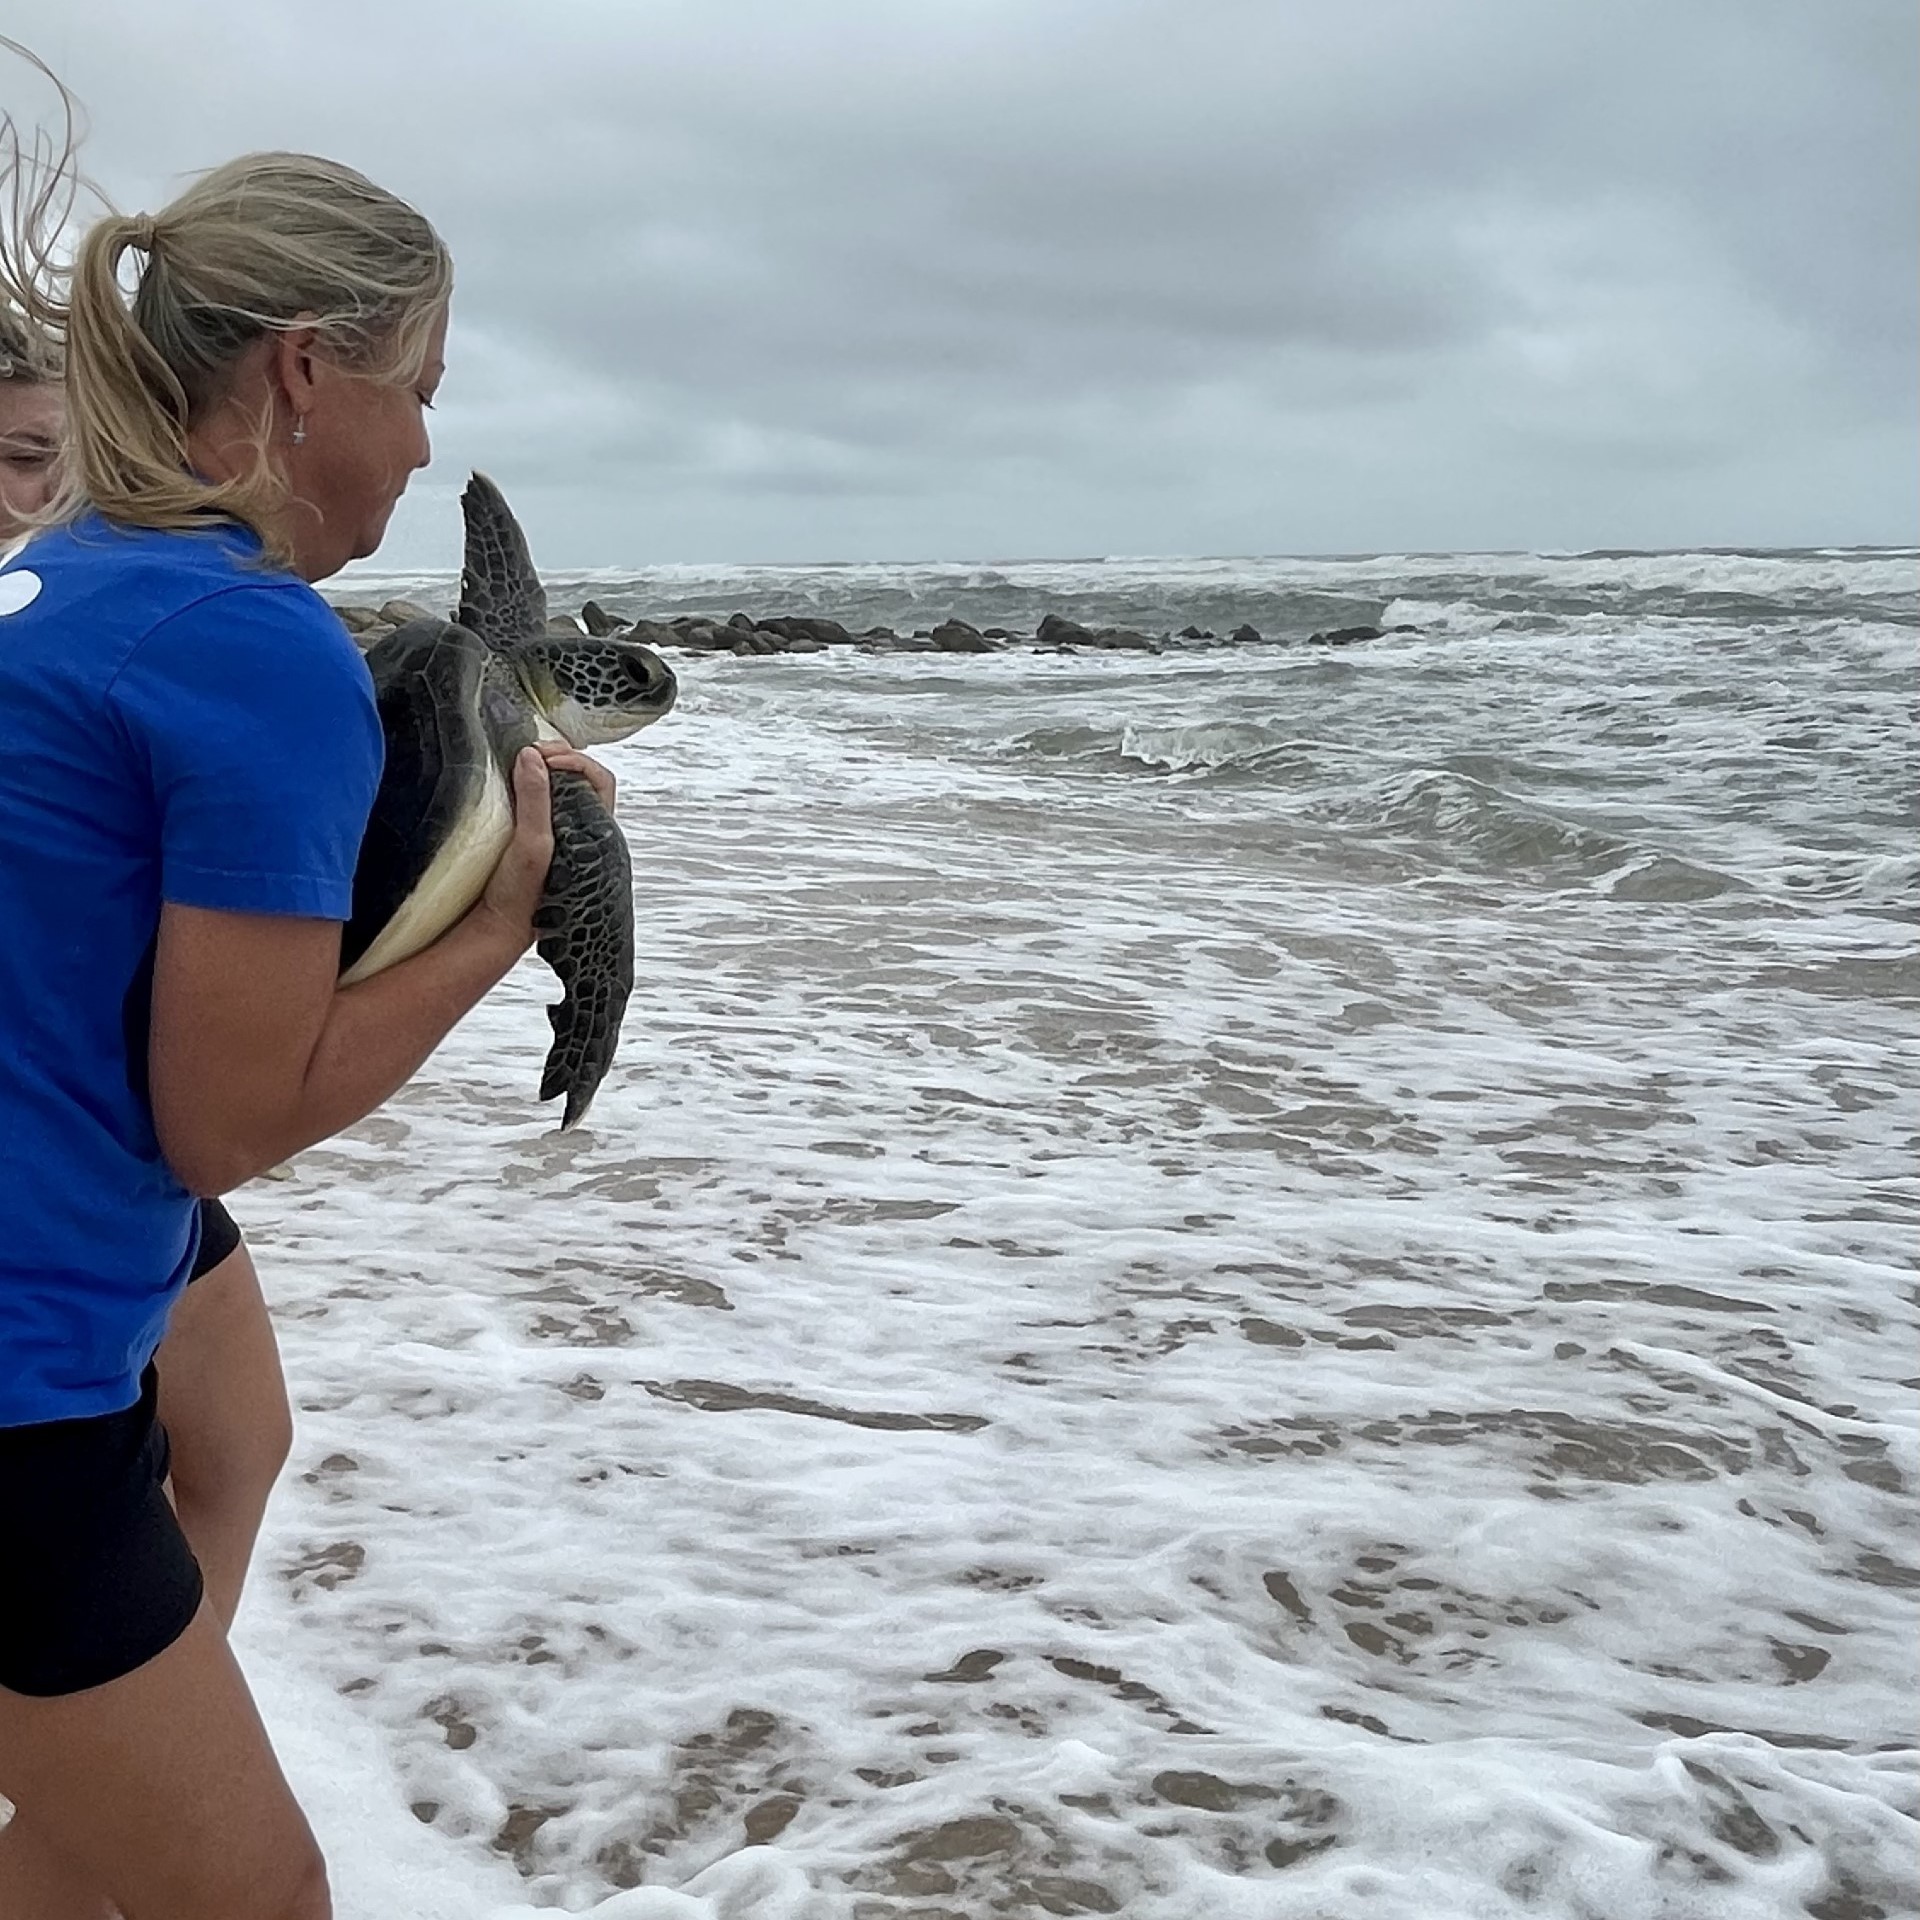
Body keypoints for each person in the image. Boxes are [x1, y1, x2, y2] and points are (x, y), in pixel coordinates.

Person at [0, 116, 612, 1920]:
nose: (426, 447)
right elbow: (225, 1124)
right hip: (17, 1377)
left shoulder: (65, 573)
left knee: (133, 1813)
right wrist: (503, 929)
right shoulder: (247, 643)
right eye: (417, 390)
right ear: (301, 372)